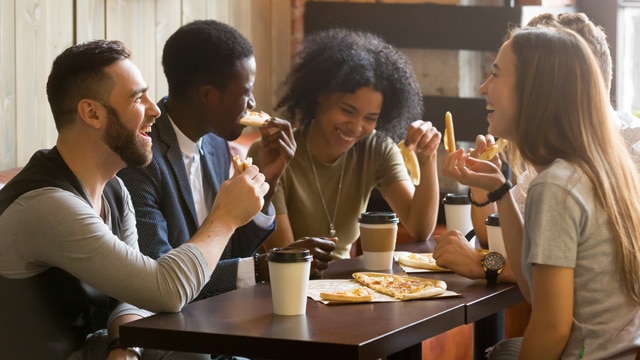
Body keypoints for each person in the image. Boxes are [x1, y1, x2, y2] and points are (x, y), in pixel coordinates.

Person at [0, 39, 268, 360]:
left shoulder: (114, 188)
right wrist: (225, 217)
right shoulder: (46, 204)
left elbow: (129, 293)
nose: (155, 110)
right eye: (138, 98)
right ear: (92, 113)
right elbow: (166, 291)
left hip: (94, 347)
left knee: (195, 349)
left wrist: (124, 346)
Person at [442, 26, 640, 358]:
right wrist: (501, 192)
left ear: (535, 93)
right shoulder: (599, 168)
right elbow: (535, 290)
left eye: (495, 74)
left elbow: (551, 329)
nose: (482, 87)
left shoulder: (557, 186)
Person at [117, 19, 334, 291]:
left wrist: (267, 181)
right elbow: (163, 277)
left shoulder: (216, 144)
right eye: (246, 92)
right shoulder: (140, 159)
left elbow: (227, 251)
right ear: (207, 94)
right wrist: (266, 265)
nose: (253, 103)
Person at [249, 28, 441, 260]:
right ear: (320, 95)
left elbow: (419, 228)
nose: (356, 127)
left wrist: (428, 158)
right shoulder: (272, 153)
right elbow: (287, 259)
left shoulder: (376, 149)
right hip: (281, 285)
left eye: (370, 118)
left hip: (345, 286)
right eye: (347, 110)